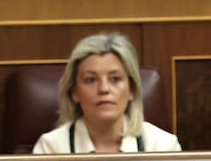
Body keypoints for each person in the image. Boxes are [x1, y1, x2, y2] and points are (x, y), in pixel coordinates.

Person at [33, 33, 182, 153]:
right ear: (74, 92)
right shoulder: (51, 148)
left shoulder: (162, 146)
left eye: (115, 79)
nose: (104, 89)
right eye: (91, 80)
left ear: (131, 89)